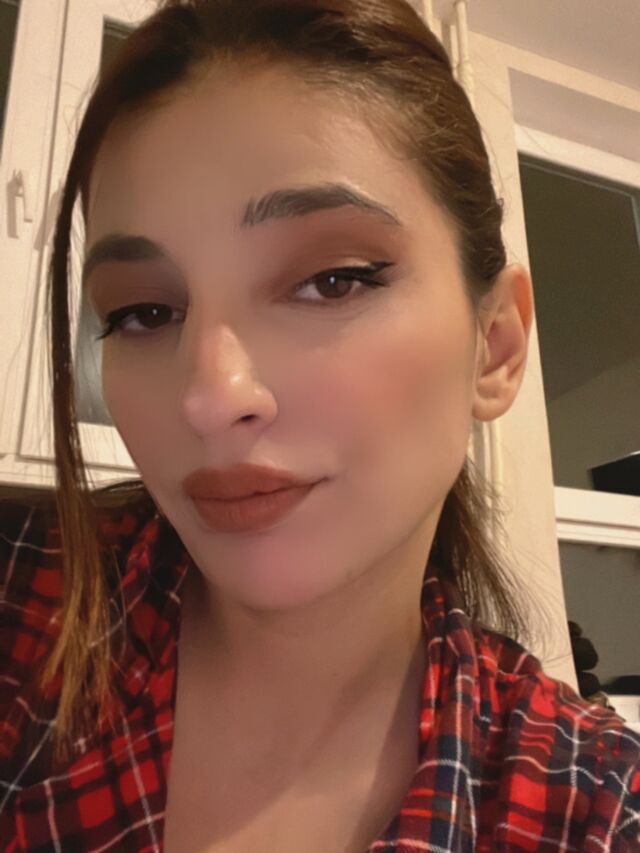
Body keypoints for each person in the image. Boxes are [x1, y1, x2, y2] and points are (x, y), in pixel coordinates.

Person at [1, 0, 639, 850]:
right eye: (144, 311)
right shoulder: (21, 598)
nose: (210, 394)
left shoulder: (594, 805)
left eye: (331, 280)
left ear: (494, 347)